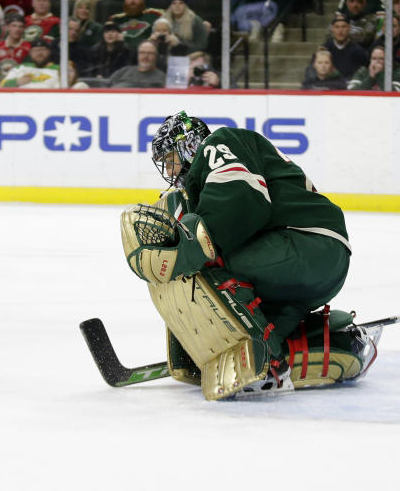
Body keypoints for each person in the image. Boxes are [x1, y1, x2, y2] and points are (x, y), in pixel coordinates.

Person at [126, 111, 369, 398]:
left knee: (207, 263)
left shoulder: (218, 143)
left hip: (306, 245)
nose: (169, 170)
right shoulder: (206, 181)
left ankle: (268, 356)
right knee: (271, 328)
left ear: (190, 145)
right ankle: (307, 348)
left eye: (171, 159)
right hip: (311, 266)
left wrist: (191, 244)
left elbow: (242, 197)